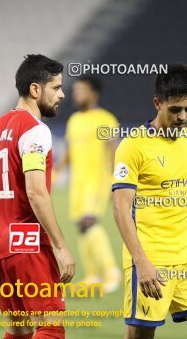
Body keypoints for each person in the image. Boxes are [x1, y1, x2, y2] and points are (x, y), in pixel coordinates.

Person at [112, 63, 187, 338]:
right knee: (141, 335)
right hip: (150, 256)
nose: (183, 117)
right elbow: (120, 208)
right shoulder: (133, 145)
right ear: (157, 103)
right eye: (175, 110)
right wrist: (142, 262)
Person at [0, 54, 75, 339]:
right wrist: (61, 246)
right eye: (56, 87)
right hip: (26, 244)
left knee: (19, 330)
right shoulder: (35, 131)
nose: (62, 94)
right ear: (35, 89)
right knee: (51, 328)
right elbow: (36, 191)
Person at [54, 76, 121, 292]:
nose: (76, 94)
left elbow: (114, 152)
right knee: (81, 228)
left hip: (98, 182)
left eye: (81, 90)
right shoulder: (74, 120)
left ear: (93, 93)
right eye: (76, 91)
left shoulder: (106, 119)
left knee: (89, 222)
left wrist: (116, 181)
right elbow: (69, 152)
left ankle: (111, 272)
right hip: (78, 184)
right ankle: (93, 274)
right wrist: (54, 172)